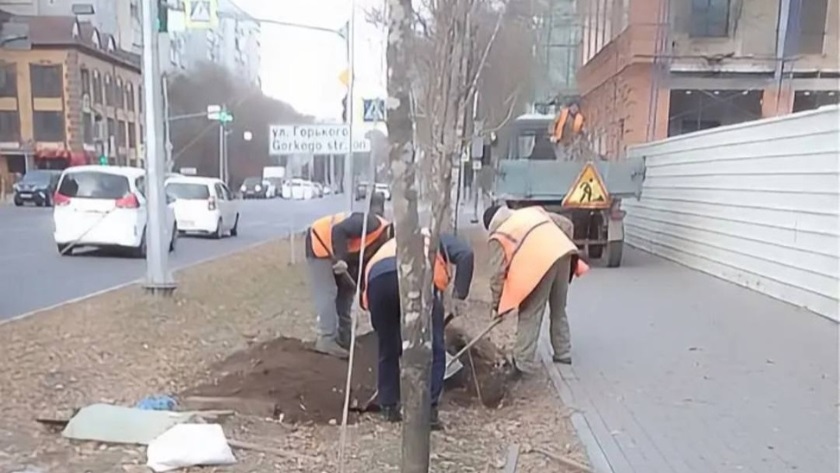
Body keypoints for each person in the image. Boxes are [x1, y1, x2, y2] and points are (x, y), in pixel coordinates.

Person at [361, 229, 474, 429]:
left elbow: (366, 301)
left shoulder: (389, 245)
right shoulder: (436, 236)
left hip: (377, 282)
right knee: (434, 348)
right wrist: (459, 297)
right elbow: (466, 255)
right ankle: (428, 411)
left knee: (388, 347)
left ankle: (389, 406)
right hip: (417, 273)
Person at [483, 204, 588, 375]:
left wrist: (498, 305)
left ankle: (522, 363)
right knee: (559, 309)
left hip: (541, 262)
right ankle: (563, 353)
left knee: (530, 312)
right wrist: (561, 247)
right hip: (564, 255)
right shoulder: (530, 213)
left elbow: (497, 274)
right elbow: (567, 225)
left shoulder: (500, 234)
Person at [306, 193, 390, 358]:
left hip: (339, 250)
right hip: (320, 241)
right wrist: (341, 259)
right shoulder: (371, 223)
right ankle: (326, 339)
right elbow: (339, 230)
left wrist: (365, 295)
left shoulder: (380, 245)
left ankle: (344, 337)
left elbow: (363, 271)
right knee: (328, 292)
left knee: (346, 292)